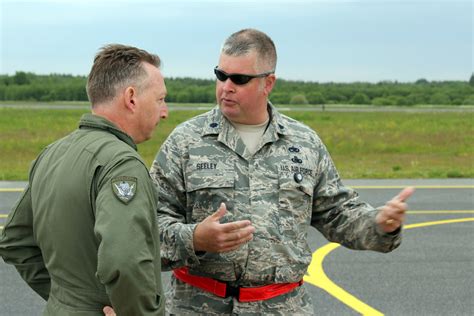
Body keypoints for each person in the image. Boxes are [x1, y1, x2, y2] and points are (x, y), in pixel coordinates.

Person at [150, 28, 414, 315]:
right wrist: (195, 239)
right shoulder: (185, 142)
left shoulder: (304, 144)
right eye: (220, 75)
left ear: (269, 83)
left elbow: (338, 213)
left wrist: (380, 224)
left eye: (239, 79)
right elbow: (148, 227)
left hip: (282, 307)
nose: (226, 86)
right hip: (200, 306)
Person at [0, 44, 168, 315]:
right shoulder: (121, 164)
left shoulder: (52, 153)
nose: (165, 112)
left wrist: (67, 300)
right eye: (160, 99)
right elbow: (124, 260)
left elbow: (14, 240)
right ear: (131, 98)